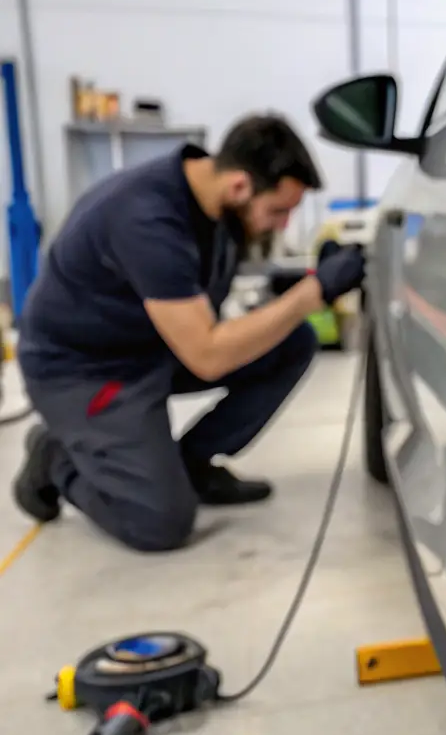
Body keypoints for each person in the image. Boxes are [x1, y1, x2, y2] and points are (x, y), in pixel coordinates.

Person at [12, 115, 364, 553]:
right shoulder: (146, 219)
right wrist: (315, 291)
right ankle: (55, 458)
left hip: (151, 349)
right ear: (239, 186)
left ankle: (192, 465)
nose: (281, 226)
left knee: (292, 343)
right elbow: (208, 356)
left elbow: (212, 323)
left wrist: (311, 277)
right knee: (160, 522)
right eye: (278, 211)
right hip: (84, 372)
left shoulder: (214, 206)